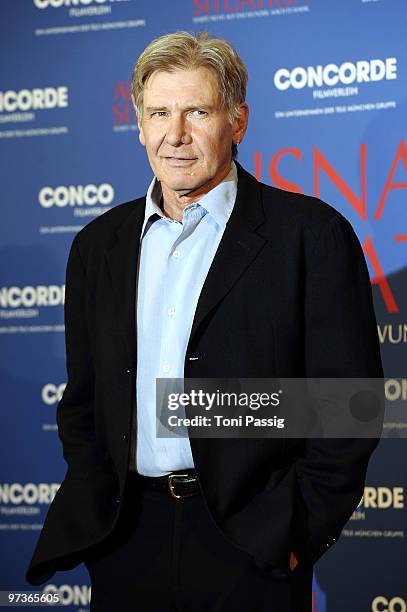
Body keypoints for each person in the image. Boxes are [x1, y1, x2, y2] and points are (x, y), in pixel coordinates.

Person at [25, 31, 383, 611]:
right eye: (159, 113)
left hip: (251, 541)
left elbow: (349, 404)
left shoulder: (309, 236)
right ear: (139, 124)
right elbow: (85, 400)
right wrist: (99, 507)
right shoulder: (98, 246)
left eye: (197, 111)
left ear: (237, 121)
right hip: (124, 539)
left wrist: (295, 531)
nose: (176, 134)